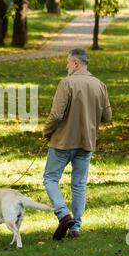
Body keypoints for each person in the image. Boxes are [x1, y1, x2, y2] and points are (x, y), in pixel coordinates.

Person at [43, 48, 112, 240]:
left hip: (62, 142)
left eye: (67, 62)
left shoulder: (67, 83)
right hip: (86, 142)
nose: (66, 66)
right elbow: (108, 117)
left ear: (75, 63)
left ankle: (63, 214)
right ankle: (76, 227)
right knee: (79, 184)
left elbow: (56, 115)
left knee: (50, 179)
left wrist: (46, 131)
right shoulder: (100, 85)